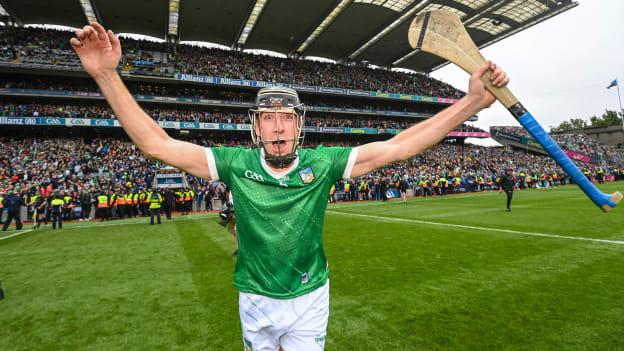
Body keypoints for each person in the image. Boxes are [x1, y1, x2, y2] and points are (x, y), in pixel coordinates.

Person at [70, 22, 508, 350]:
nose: (277, 128)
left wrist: (471, 102)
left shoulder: (323, 163)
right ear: (255, 127)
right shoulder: (234, 163)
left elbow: (399, 147)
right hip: (255, 298)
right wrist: (107, 75)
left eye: (286, 118)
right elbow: (157, 144)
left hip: (309, 296)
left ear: (299, 126)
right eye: (268, 118)